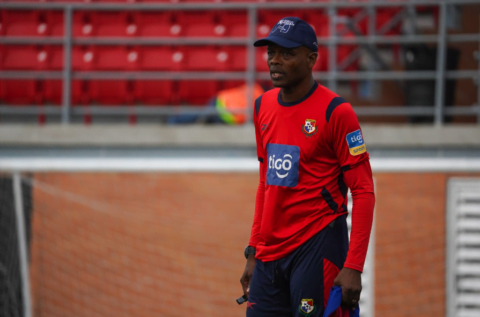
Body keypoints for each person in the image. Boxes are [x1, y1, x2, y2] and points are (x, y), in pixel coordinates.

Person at [239, 17, 375, 317]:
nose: (275, 60)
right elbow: (266, 183)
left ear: (311, 59)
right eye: (270, 52)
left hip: (316, 245)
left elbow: (363, 191)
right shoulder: (262, 105)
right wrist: (253, 251)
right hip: (269, 255)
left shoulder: (337, 112)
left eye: (286, 53)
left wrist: (353, 266)